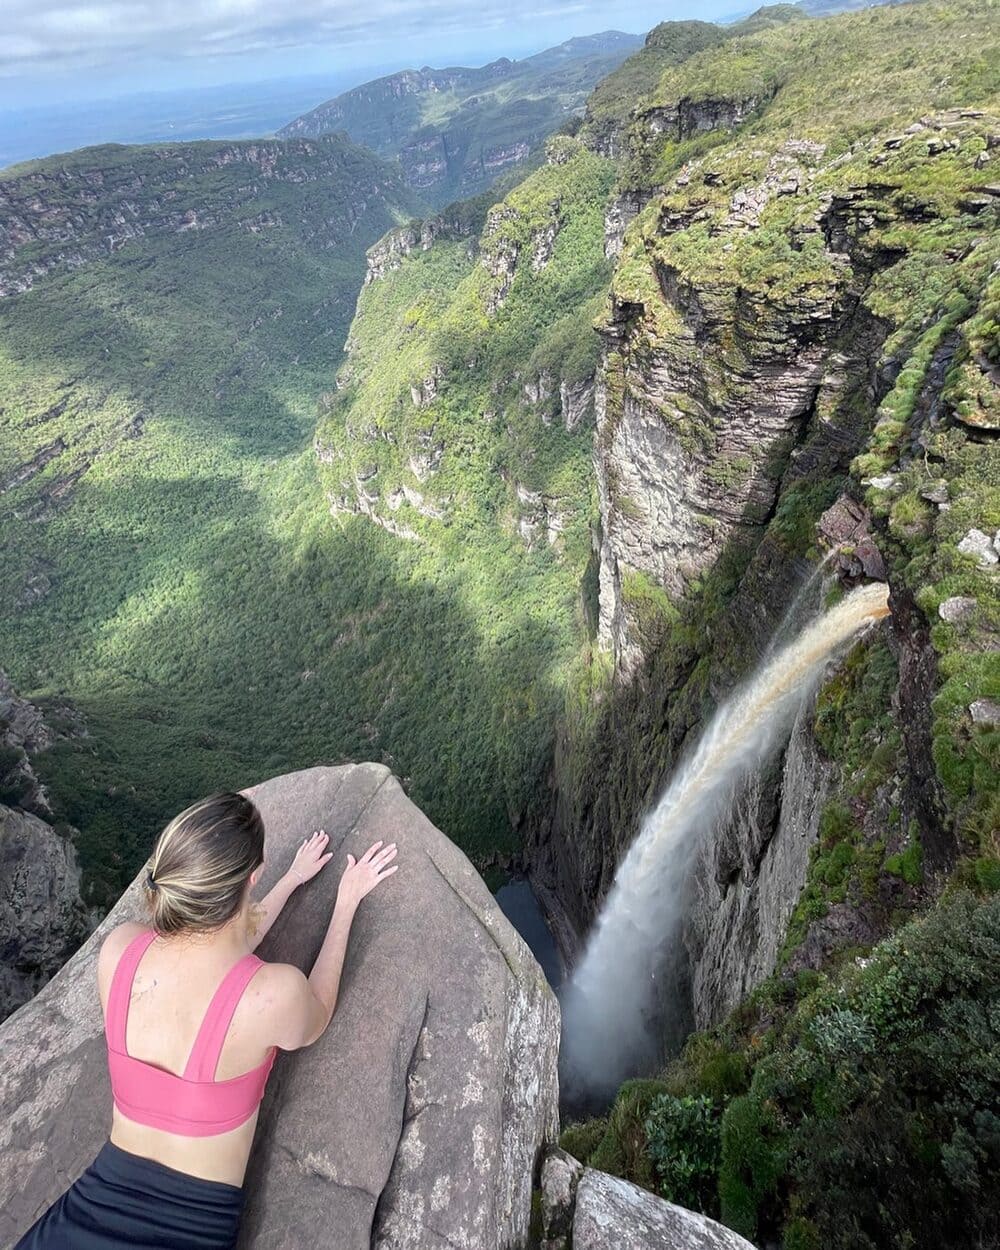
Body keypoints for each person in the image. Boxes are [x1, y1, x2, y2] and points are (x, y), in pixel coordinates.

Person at [13, 789, 398, 1250]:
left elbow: (208, 959)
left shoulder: (121, 952)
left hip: (82, 1215)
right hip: (185, 1231)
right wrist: (346, 902)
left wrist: (293, 878)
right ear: (253, 877)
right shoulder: (272, 995)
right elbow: (317, 1007)